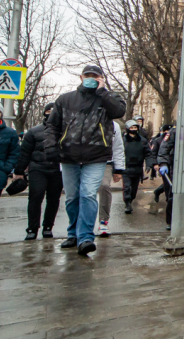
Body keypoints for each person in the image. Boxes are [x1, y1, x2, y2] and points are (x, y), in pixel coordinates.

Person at [45, 65, 126, 256]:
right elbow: (53, 126)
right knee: (72, 197)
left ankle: (86, 237)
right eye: (88, 76)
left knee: (88, 194)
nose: (91, 79)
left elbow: (118, 112)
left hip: (96, 156)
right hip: (69, 156)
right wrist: (50, 147)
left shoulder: (109, 98)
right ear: (81, 77)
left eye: (95, 76)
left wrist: (102, 92)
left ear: (101, 78)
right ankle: (72, 234)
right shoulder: (65, 100)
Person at [16, 103, 60, 240]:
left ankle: (48, 227)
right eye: (48, 110)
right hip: (37, 168)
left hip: (57, 169)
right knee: (36, 197)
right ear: (44, 113)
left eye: (54, 111)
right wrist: (19, 171)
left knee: (53, 200)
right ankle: (32, 228)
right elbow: (24, 153)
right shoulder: (33, 132)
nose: (51, 113)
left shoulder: (64, 130)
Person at [119, 120, 156, 214]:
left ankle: (130, 200)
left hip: (138, 168)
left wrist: (149, 164)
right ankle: (127, 203)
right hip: (126, 167)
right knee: (127, 187)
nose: (133, 130)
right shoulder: (123, 141)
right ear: (127, 129)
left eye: (135, 128)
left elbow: (148, 153)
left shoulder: (142, 141)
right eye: (131, 128)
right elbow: (118, 153)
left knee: (134, 189)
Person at [97, 121, 126, 237]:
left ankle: (103, 221)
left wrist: (118, 169)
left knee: (104, 186)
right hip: (86, 161)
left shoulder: (114, 125)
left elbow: (118, 147)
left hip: (106, 162)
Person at [150, 125, 171, 198]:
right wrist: (155, 163)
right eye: (166, 131)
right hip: (162, 163)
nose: (167, 133)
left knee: (171, 182)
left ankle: (158, 191)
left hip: (171, 163)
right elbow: (154, 153)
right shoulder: (158, 140)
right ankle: (168, 198)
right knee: (167, 182)